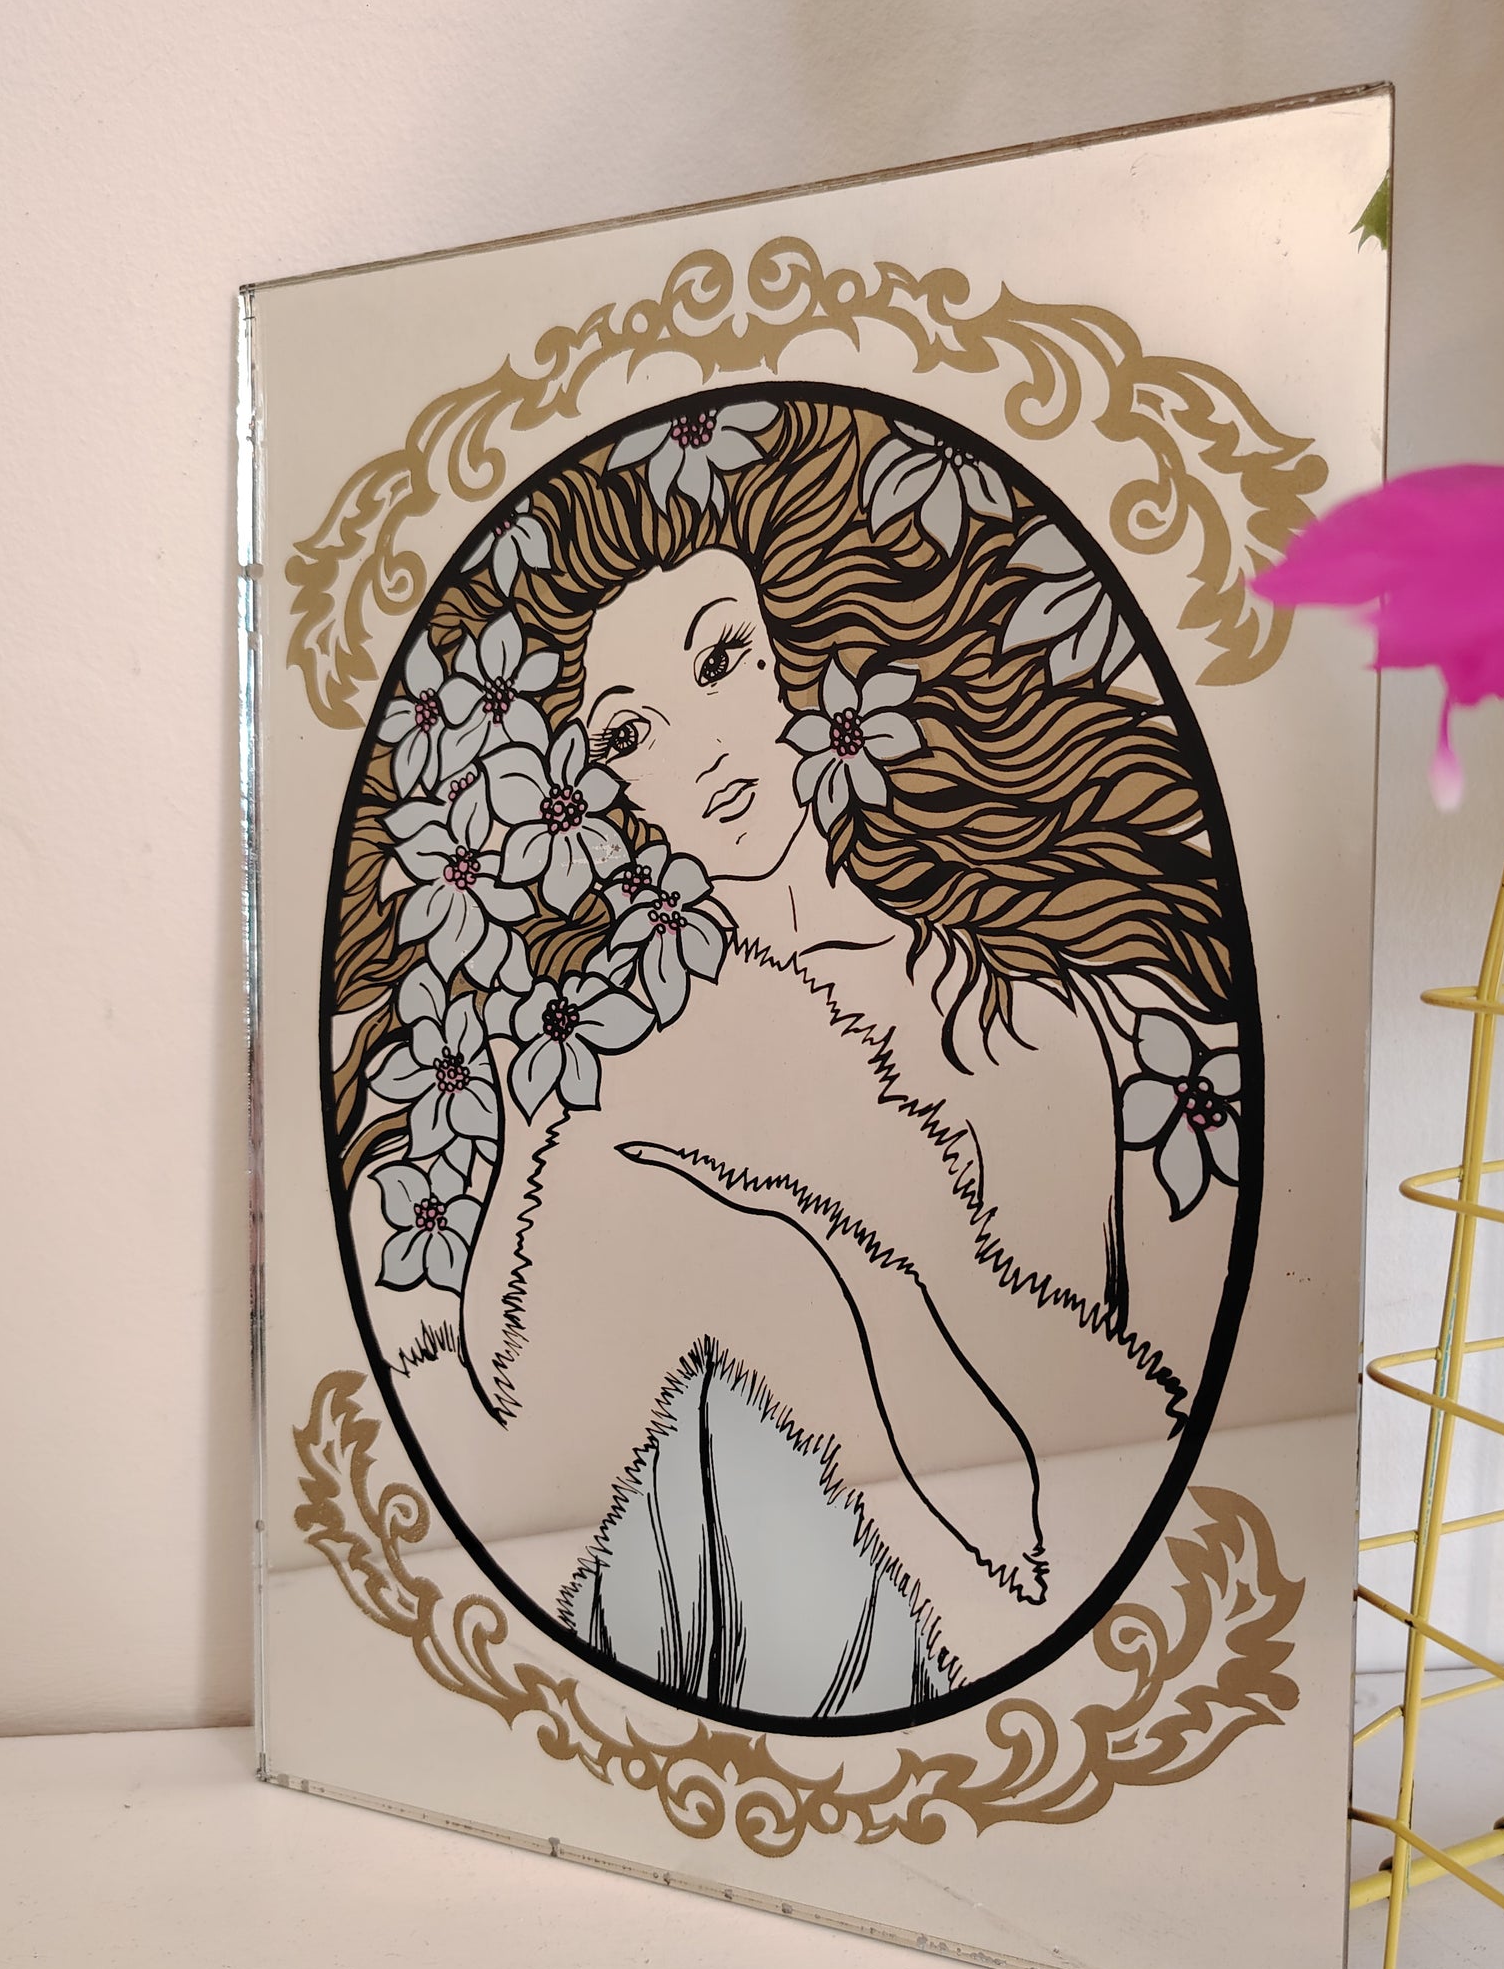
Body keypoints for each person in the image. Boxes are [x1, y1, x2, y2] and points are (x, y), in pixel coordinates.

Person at [332, 393, 1242, 1722]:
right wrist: (560, 1131)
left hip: (963, 1669)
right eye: (628, 732)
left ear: (808, 659)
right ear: (591, 791)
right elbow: (511, 1411)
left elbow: (1086, 1465)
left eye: (721, 663)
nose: (699, 747)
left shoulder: (1022, 1029)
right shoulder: (592, 1053)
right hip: (642, 1672)